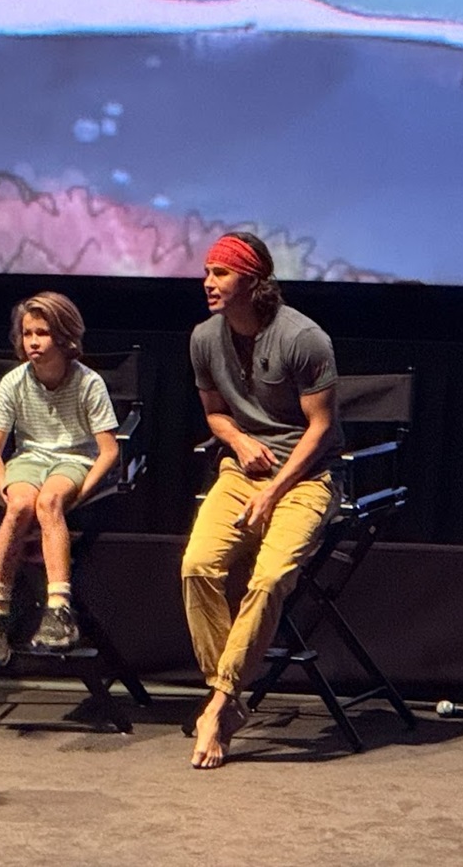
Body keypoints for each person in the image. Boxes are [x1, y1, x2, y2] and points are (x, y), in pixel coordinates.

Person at [181, 231, 343, 769]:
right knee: (197, 566)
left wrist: (275, 489)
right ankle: (226, 697)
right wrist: (239, 440)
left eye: (221, 273)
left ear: (252, 281)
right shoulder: (205, 338)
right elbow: (215, 413)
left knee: (270, 578)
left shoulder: (304, 338)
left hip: (306, 478)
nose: (208, 282)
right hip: (242, 471)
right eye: (207, 272)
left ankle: (218, 705)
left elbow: (321, 428)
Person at [0, 292, 120, 664]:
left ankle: (58, 610)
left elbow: (109, 450)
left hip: (73, 459)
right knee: (21, 505)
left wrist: (81, 493)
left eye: (43, 333)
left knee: (49, 501)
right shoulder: (14, 382)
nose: (33, 342)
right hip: (29, 459)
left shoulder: (88, 383)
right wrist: (6, 489)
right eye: (27, 333)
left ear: (64, 337)